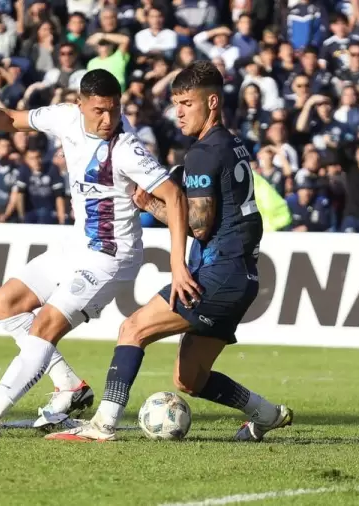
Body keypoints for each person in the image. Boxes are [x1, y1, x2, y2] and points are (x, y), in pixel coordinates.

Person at [0, 69, 195, 437]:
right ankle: (70, 385)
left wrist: (177, 263)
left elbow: (174, 194)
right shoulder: (64, 118)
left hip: (111, 257)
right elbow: (10, 120)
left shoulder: (126, 148)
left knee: (46, 325)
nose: (109, 120)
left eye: (115, 110)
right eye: (100, 111)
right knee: (5, 303)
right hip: (78, 246)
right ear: (80, 105)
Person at [46, 61, 293, 443]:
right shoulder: (234, 144)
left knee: (133, 329)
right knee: (189, 379)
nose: (178, 112)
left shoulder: (202, 153)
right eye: (175, 103)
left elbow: (198, 225)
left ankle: (103, 424)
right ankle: (267, 414)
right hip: (242, 278)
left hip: (216, 274)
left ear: (211, 102)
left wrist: (153, 207)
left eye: (186, 103)